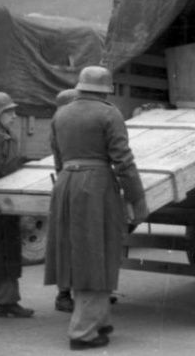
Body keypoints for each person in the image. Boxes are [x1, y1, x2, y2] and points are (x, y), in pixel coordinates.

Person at [44, 66, 148, 350]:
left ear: (80, 86)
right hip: (97, 187)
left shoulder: (61, 113)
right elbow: (123, 160)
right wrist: (137, 198)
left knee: (82, 252)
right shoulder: (109, 113)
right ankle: (83, 332)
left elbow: (57, 155)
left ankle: (99, 321)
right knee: (96, 253)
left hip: (66, 183)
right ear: (106, 89)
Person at [0, 92, 35, 326]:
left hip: (7, 206)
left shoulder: (11, 137)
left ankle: (8, 303)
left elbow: (14, 166)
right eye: (8, 111)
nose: (14, 116)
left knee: (9, 253)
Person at [52, 88, 79, 314]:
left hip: (65, 185)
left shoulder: (59, 124)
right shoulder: (66, 126)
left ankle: (71, 294)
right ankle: (65, 294)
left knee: (70, 242)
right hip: (73, 188)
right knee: (72, 243)